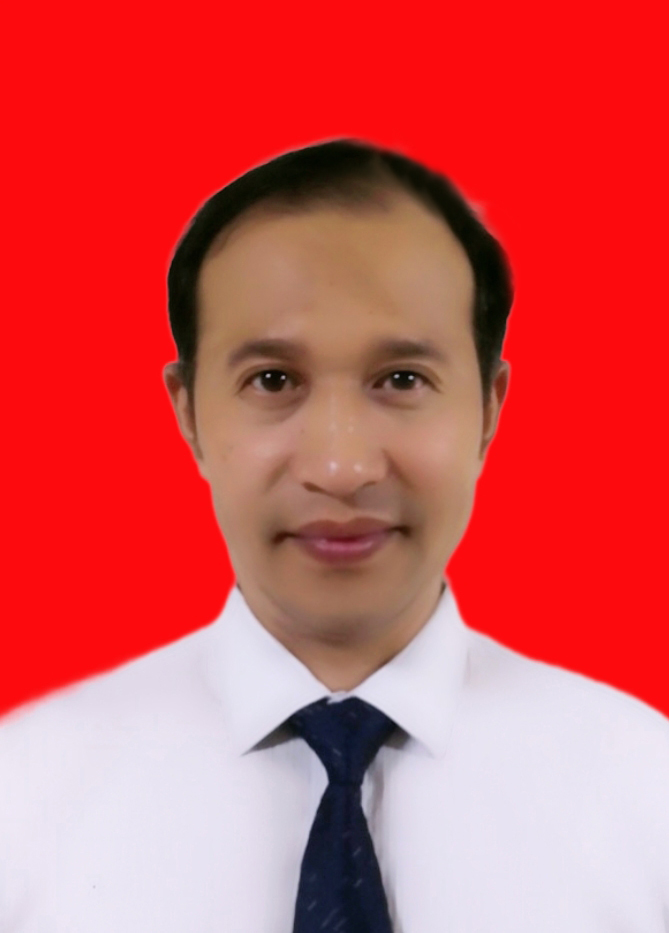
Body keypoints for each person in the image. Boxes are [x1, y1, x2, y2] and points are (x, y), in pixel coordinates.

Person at [1, 140, 668, 933]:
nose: (341, 466)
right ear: (189, 413)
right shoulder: (23, 794)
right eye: (272, 380)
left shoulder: (646, 789)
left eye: (402, 380)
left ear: (489, 409)